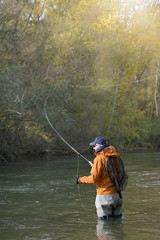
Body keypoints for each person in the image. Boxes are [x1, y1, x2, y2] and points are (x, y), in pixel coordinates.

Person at [75, 136, 122, 220]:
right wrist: (94, 166)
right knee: (117, 221)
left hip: (104, 196)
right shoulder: (115, 157)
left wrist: (80, 180)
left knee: (104, 225)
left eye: (94, 146)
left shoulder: (99, 159)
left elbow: (94, 178)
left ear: (99, 146)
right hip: (117, 196)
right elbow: (110, 171)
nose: (93, 148)